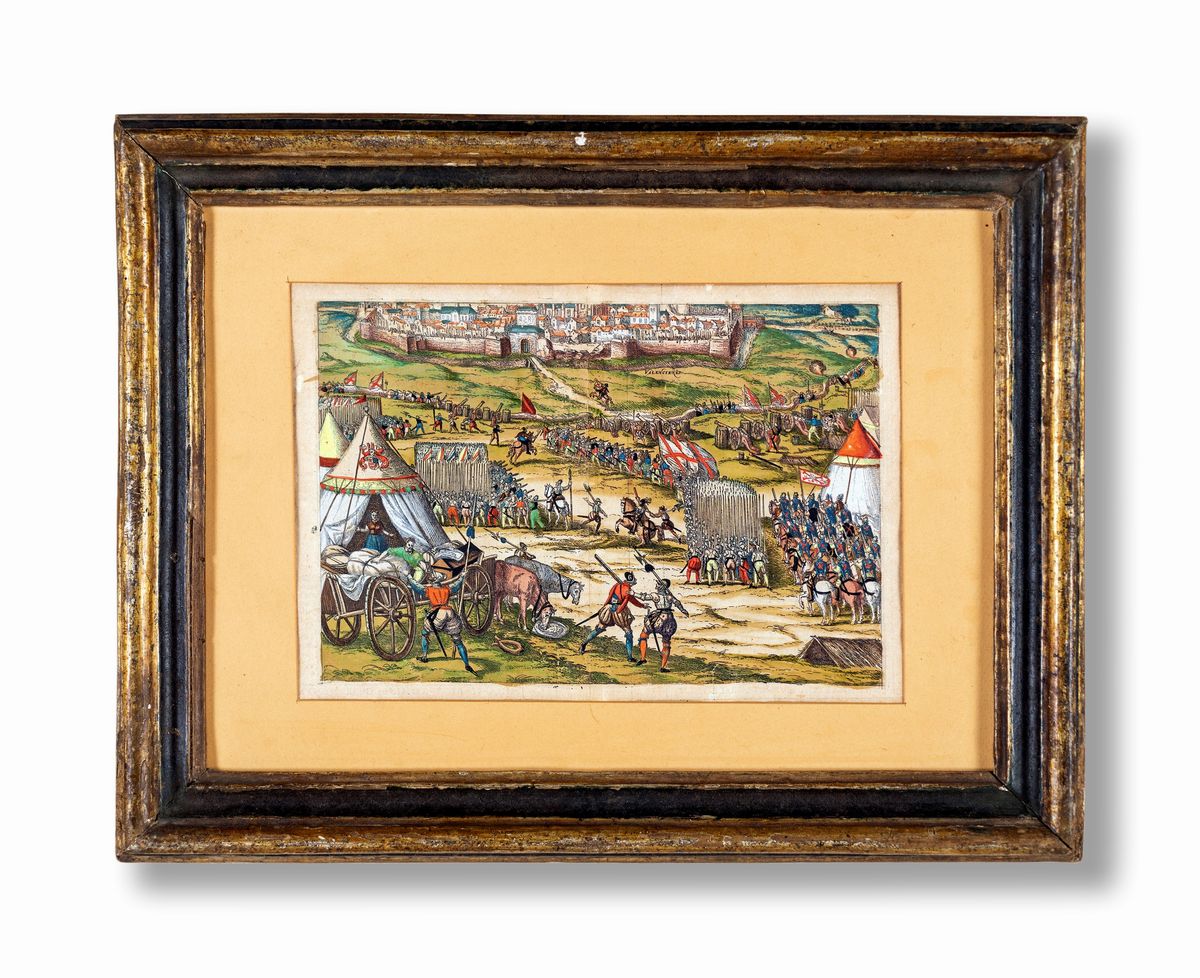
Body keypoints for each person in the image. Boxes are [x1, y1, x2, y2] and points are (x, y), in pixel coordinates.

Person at [418, 570, 476, 673]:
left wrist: (409, 578)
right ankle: (467, 664)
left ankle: (424, 656)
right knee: (457, 640)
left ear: (432, 580)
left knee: (425, 633)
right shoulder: (447, 589)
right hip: (449, 612)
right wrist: (462, 576)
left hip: (438, 613)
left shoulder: (429, 589)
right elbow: (457, 585)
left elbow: (417, 587)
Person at [580, 571, 645, 661]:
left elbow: (610, 594)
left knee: (599, 629)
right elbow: (634, 601)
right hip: (619, 612)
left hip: (609, 609)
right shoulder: (628, 590)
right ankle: (630, 657)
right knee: (628, 633)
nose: (636, 580)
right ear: (631, 580)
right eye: (634, 579)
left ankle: (584, 644)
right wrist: (643, 605)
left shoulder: (617, 585)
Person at [635, 578, 689, 672]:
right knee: (666, 643)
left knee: (644, 635)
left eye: (659, 584)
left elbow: (643, 597)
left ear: (662, 587)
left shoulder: (655, 595)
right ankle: (663, 667)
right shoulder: (669, 597)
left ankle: (643, 658)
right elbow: (677, 603)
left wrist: (633, 593)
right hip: (669, 619)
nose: (657, 586)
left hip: (658, 619)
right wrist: (683, 610)